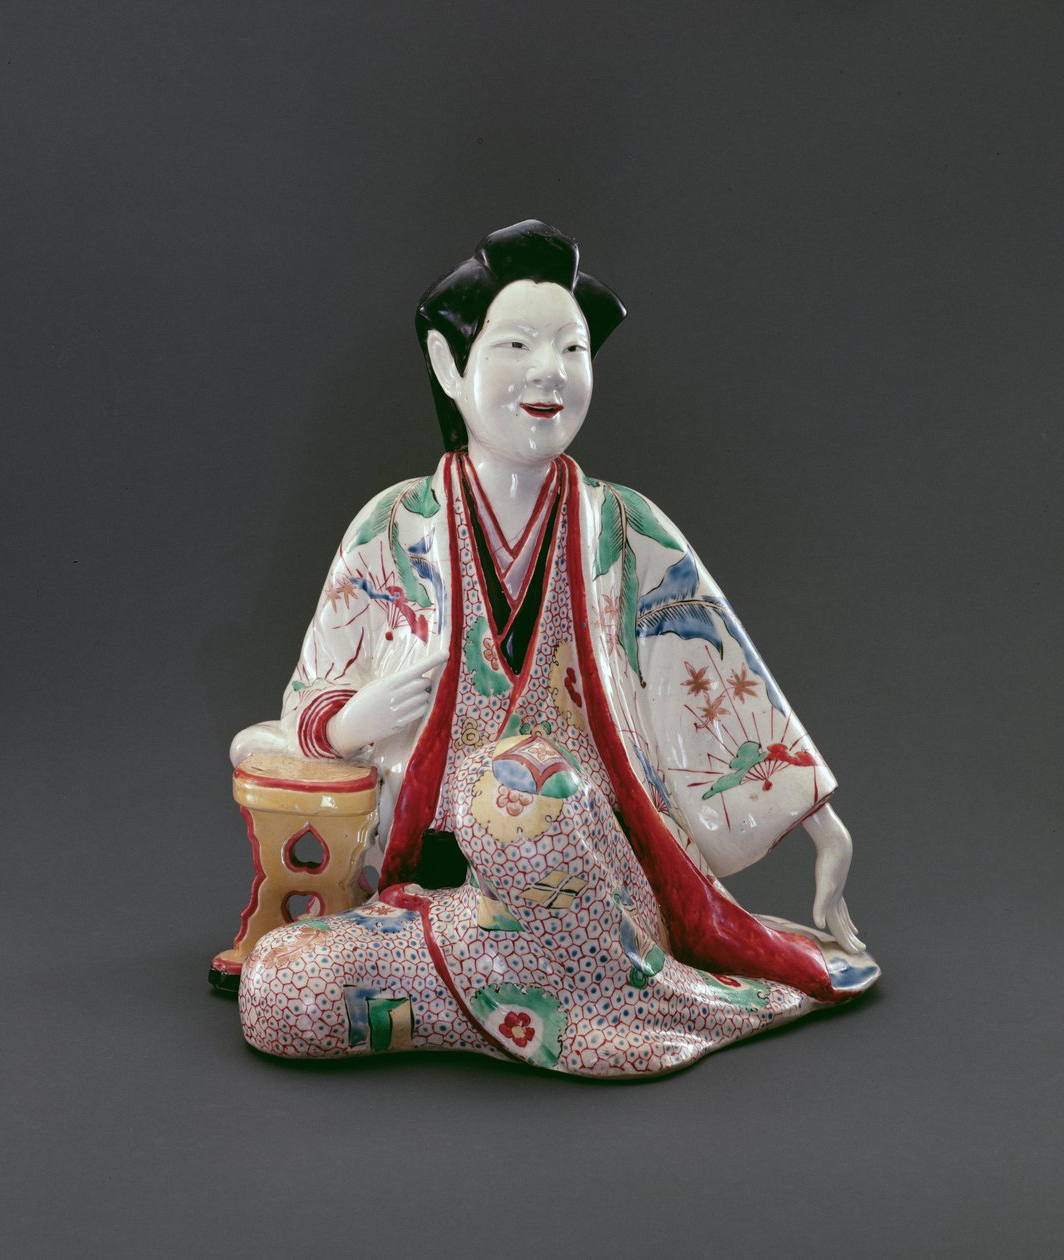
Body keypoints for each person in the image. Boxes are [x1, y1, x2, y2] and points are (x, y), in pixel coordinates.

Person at [232, 220, 879, 1076]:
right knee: (282, 989)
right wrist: (356, 720)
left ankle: (557, 988)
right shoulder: (391, 526)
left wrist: (819, 826)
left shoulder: (624, 525)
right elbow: (310, 702)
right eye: (516, 345)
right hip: (438, 894)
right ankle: (546, 995)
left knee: (514, 791)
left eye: (571, 349)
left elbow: (717, 676)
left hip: (588, 873)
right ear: (447, 365)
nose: (549, 371)